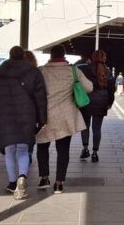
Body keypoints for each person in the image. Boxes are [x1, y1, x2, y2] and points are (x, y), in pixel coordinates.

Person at [0, 46, 47, 199]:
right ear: (23, 56)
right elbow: (41, 98)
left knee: (10, 150)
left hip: (6, 117)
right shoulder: (34, 73)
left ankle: (12, 182)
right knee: (23, 149)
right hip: (27, 117)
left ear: (9, 56)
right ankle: (22, 176)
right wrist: (42, 119)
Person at [35, 45, 93, 193]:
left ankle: (43, 178)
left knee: (42, 146)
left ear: (51, 56)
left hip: (44, 116)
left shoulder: (41, 71)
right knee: (63, 149)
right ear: (64, 55)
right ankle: (59, 183)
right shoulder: (73, 71)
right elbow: (89, 88)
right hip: (65, 116)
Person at [78, 50, 115, 162]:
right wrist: (109, 103)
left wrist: (85, 61)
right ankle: (95, 153)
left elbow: (75, 68)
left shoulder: (85, 68)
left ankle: (85, 149)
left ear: (93, 57)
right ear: (104, 58)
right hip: (101, 103)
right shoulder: (108, 71)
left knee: (85, 126)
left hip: (86, 102)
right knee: (97, 128)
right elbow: (111, 90)